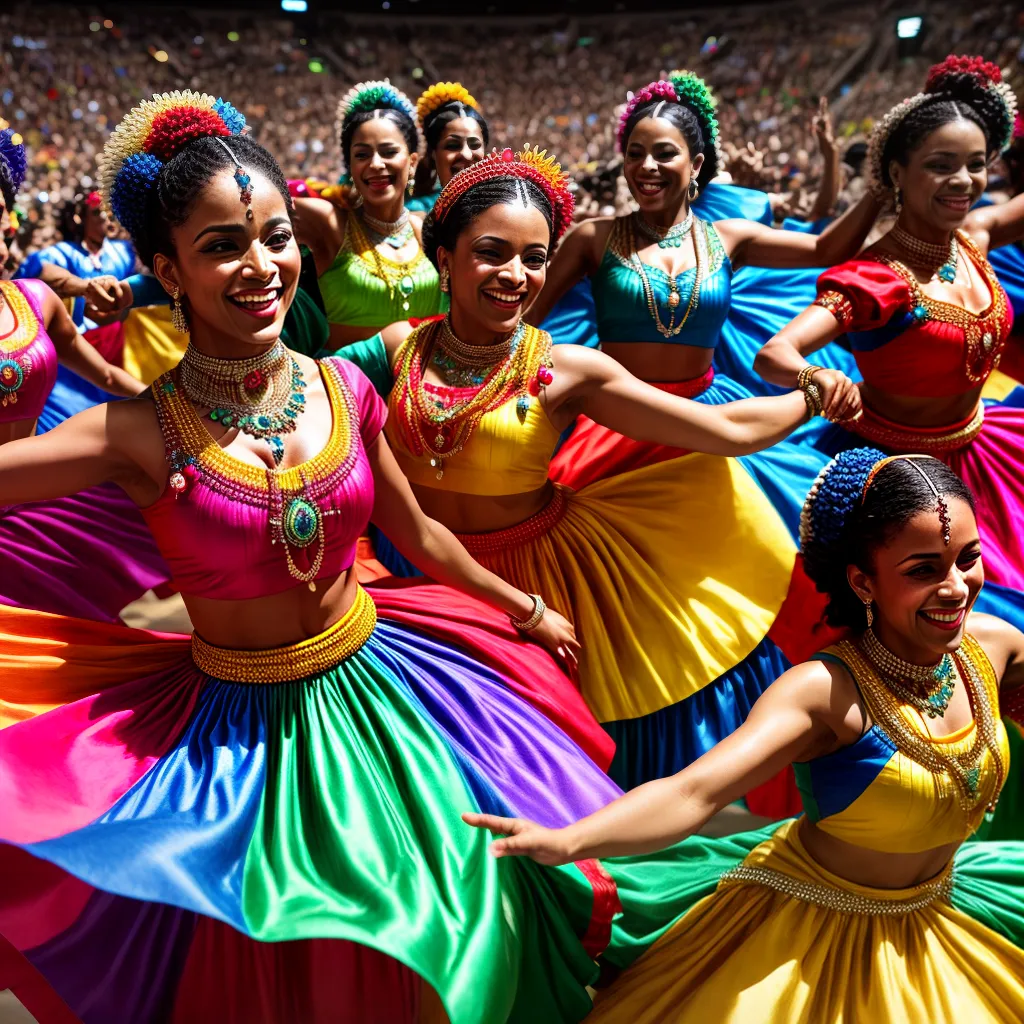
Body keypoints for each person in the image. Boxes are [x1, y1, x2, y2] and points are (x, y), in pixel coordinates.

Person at [0, 91, 706, 1023]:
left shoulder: (341, 386)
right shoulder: (139, 431)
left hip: (386, 695)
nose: (261, 266)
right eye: (222, 246)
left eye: (276, 236)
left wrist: (522, 609)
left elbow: (419, 538)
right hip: (231, 739)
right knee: (293, 965)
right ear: (167, 270)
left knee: (463, 920)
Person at [466, 448, 1024, 1024]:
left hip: (943, 913)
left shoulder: (994, 646)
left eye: (968, 559)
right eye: (923, 570)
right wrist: (569, 841)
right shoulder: (825, 692)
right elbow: (694, 793)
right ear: (863, 581)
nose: (956, 587)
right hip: (810, 942)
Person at [344, 146, 830, 790]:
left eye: (535, 258)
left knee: (528, 764)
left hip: (538, 580)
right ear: (445, 257)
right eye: (492, 252)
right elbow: (306, 387)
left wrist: (813, 393)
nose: (515, 274)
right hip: (412, 576)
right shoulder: (397, 347)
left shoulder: (567, 368)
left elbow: (727, 430)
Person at [755, 55, 1024, 631]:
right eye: (941, 165)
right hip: (899, 479)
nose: (964, 182)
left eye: (977, 165)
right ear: (897, 174)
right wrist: (818, 377)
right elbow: (775, 354)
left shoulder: (974, 238)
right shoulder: (877, 279)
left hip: (987, 457)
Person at [523, 72, 878, 497]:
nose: (646, 167)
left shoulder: (731, 237)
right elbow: (528, 322)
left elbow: (824, 248)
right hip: (615, 424)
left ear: (695, 165)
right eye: (635, 154)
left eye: (664, 153)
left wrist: (878, 190)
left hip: (712, 418)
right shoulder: (593, 238)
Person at [0, 121, 166, 623]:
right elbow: (47, 267)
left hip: (34, 511)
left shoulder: (33, 303)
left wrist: (185, 408)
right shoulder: (49, 269)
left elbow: (111, 379)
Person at [293, 80, 444, 353]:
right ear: (350, 166)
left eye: (388, 152)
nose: (375, 164)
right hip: (344, 390)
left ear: (411, 163)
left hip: (416, 390)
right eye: (362, 154)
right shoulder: (331, 224)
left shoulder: (425, 230)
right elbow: (255, 203)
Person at [408, 80, 488, 213]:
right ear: (433, 152)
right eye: (453, 145)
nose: (467, 155)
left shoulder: (503, 205)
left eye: (474, 145)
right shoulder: (415, 214)